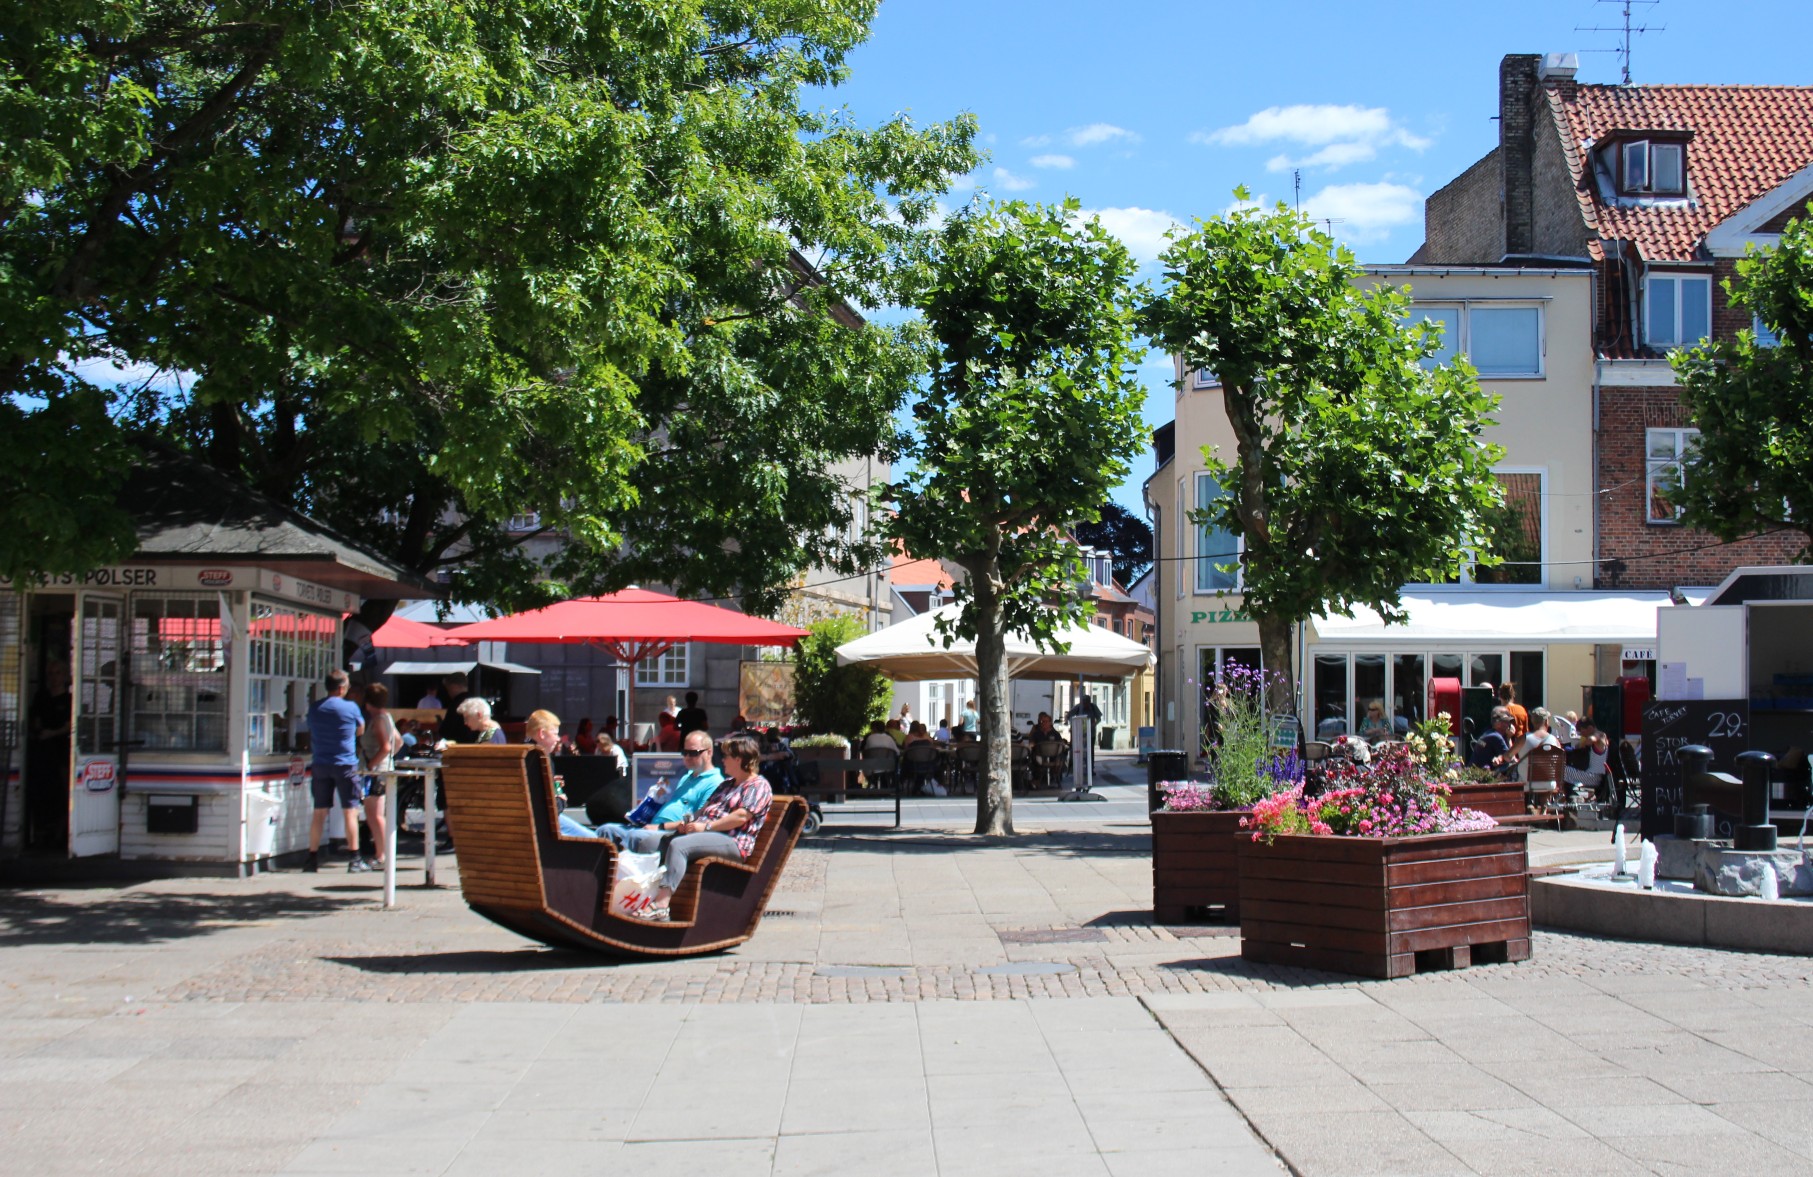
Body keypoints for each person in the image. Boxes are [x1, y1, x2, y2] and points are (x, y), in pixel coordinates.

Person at [640, 734, 773, 919]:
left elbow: (741, 816)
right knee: (650, 842)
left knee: (680, 846)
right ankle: (638, 896)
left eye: (726, 756)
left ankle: (661, 904)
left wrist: (706, 827)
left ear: (739, 759)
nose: (723, 760)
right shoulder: (727, 785)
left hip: (733, 841)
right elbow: (702, 812)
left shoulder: (758, 785)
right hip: (706, 835)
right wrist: (686, 825)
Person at [559, 729, 722, 845]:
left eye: (693, 753)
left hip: (669, 835)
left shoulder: (714, 783)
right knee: (606, 829)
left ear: (708, 752)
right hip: (651, 827)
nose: (687, 757)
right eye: (684, 752)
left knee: (606, 837)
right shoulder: (687, 777)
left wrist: (658, 826)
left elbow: (697, 820)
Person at [305, 669, 368, 873]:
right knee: (350, 810)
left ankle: (312, 858)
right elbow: (361, 730)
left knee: (319, 812)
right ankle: (354, 858)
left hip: (321, 762)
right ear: (341, 688)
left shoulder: (315, 708)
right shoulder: (350, 708)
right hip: (345, 763)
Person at [25, 660, 72, 851]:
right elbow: (34, 719)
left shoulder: (69, 699)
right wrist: (37, 730)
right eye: (50, 673)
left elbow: (71, 725)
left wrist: (52, 733)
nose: (53, 677)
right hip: (43, 753)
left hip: (62, 752)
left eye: (57, 673)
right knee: (43, 793)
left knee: (64, 793)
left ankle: (60, 834)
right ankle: (41, 833)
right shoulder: (41, 696)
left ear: (64, 675)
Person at [357, 682, 400, 872]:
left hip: (376, 772)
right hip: (384, 770)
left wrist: (371, 764)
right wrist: (390, 761)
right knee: (377, 814)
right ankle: (383, 853)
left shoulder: (377, 721)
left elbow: (386, 746)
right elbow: (398, 741)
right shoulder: (387, 717)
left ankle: (382, 855)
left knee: (374, 815)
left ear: (368, 702)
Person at [1506, 707, 1562, 783]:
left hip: (1527, 784)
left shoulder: (1524, 739)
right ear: (1546, 722)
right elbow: (1560, 763)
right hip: (1549, 784)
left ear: (1532, 721)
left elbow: (1507, 756)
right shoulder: (1555, 740)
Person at [1469, 707, 1516, 776]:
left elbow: (1502, 757)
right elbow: (1511, 759)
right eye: (1506, 721)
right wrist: (1509, 738)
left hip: (1476, 775)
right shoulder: (1496, 737)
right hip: (1481, 778)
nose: (1509, 725)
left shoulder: (1488, 733)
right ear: (1498, 723)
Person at [438, 672, 475, 743]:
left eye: (448, 689)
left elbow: (445, 731)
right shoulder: (477, 702)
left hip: (459, 747)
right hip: (476, 746)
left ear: (453, 686)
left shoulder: (456, 704)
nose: (448, 693)